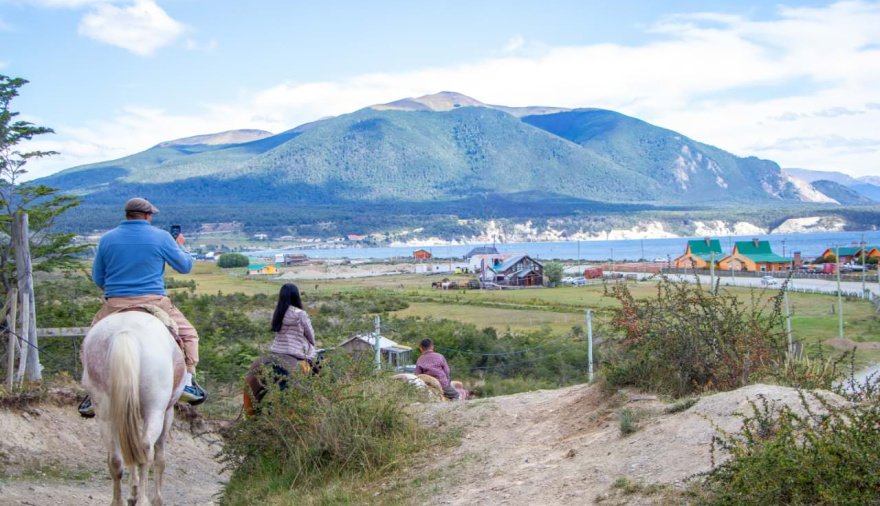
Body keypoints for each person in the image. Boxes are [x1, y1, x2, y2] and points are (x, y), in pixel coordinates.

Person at [78, 198, 205, 418]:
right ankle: (187, 383)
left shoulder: (107, 239)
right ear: (148, 216)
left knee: (89, 343)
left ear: (127, 215)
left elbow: (98, 278)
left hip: (115, 304)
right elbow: (185, 266)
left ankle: (93, 392)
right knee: (189, 335)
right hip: (153, 303)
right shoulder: (162, 237)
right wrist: (180, 246)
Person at [269, 283, 316, 364]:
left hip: (277, 350)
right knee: (316, 362)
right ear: (296, 296)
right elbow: (309, 334)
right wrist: (312, 344)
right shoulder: (300, 313)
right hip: (295, 351)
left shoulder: (277, 313)